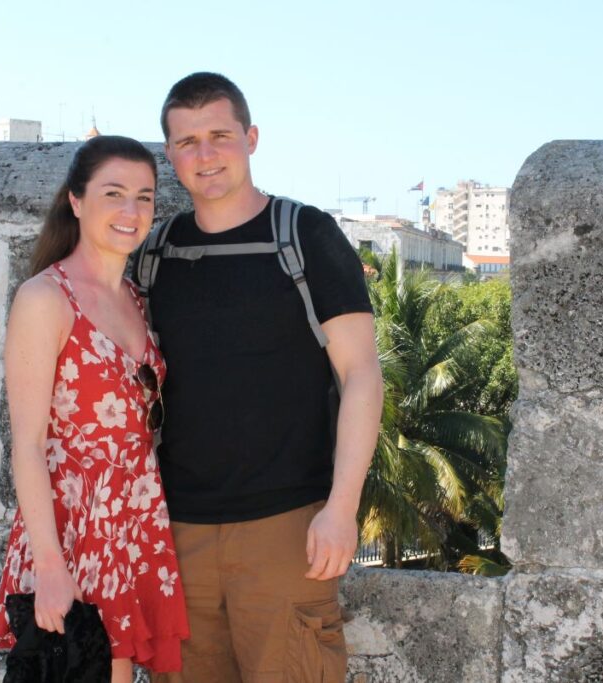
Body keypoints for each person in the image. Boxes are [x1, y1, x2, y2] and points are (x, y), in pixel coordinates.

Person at [142, 73, 383, 682]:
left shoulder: (304, 235)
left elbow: (361, 375)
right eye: (187, 141)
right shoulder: (154, 254)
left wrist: (342, 508)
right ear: (169, 155)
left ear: (250, 138)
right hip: (179, 532)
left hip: (287, 529)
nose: (205, 154)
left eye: (220, 135)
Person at [0, 135, 189, 680]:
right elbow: (27, 446)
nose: (131, 212)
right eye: (114, 193)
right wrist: (51, 567)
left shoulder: (138, 301)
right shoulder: (45, 299)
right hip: (73, 537)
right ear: (76, 201)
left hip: (132, 527)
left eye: (145, 197)